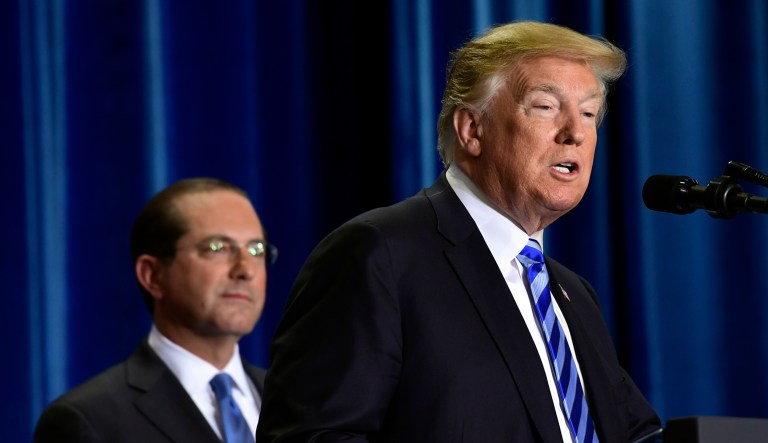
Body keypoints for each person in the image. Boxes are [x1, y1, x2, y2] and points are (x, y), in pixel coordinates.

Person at [256, 20, 662, 443]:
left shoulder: (573, 294)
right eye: (545, 106)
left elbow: (636, 433)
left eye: (589, 114)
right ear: (472, 129)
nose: (575, 133)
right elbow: (312, 436)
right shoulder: (379, 255)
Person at [34, 177, 277, 443]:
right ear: (152, 275)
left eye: (256, 250)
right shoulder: (87, 421)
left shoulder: (295, 399)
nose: (245, 270)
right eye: (217, 248)